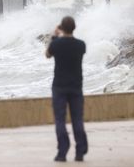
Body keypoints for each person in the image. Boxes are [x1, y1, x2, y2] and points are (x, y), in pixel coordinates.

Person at [46, 16, 88, 162]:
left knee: (60, 120)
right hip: (76, 86)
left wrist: (54, 36)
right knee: (77, 119)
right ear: (74, 28)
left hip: (59, 87)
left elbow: (47, 55)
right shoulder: (81, 45)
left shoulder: (56, 44)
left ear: (62, 28)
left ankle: (62, 153)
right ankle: (80, 152)